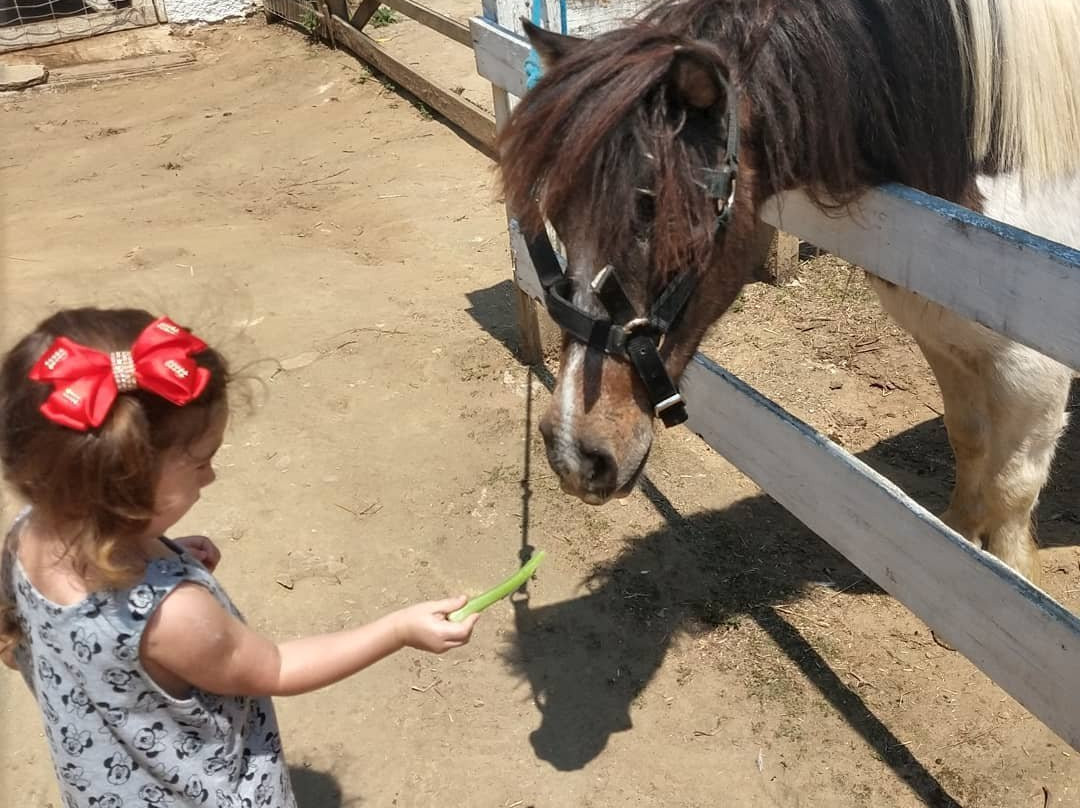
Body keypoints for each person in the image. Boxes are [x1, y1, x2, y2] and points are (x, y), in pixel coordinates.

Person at [0, 307, 479, 808]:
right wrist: (397, 631)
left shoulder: (26, 536)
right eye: (202, 462)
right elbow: (274, 667)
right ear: (124, 489)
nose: (211, 478)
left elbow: (22, 645)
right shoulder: (171, 616)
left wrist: (159, 555)